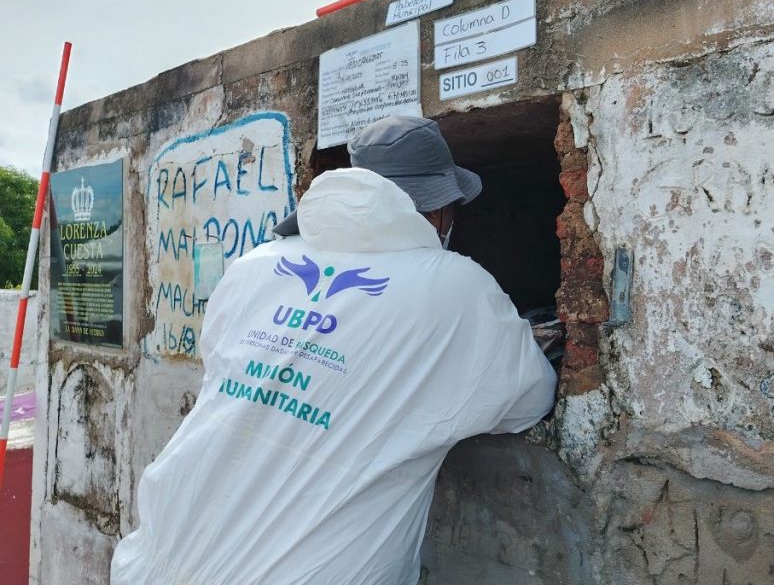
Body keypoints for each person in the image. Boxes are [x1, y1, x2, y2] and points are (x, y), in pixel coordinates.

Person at [110, 116, 557, 584]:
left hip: (157, 561)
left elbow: (224, 366)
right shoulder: (455, 286)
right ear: (438, 209)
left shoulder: (254, 265)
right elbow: (529, 397)